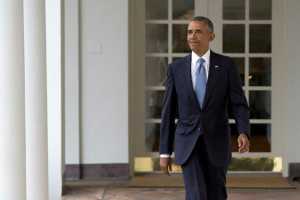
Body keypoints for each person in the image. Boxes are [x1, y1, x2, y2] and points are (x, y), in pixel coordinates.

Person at [159, 16, 250, 200]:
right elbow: (168, 113)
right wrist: (164, 152)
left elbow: (238, 103)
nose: (193, 36)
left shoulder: (226, 66)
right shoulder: (176, 69)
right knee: (196, 195)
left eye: (198, 31)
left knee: (217, 194)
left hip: (217, 142)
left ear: (211, 36)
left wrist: (243, 132)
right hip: (187, 143)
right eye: (190, 32)